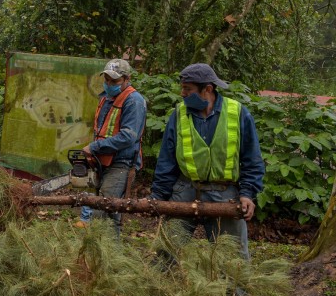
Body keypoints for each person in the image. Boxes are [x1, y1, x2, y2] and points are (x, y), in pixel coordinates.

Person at [149, 63, 263, 261]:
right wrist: (158, 196)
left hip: (225, 193)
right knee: (165, 252)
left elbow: (251, 157)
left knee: (233, 257)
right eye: (182, 87)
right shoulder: (178, 114)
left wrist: (247, 194)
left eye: (188, 89)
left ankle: (235, 293)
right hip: (185, 189)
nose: (182, 93)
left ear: (207, 89)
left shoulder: (238, 113)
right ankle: (156, 290)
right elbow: (166, 160)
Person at [75, 58, 146, 234]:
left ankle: (110, 256)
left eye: (114, 81)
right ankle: (102, 254)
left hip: (121, 163)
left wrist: (95, 147)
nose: (109, 84)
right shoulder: (107, 98)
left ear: (126, 79)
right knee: (103, 211)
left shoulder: (133, 101)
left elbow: (128, 137)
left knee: (105, 212)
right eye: (106, 80)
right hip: (104, 161)